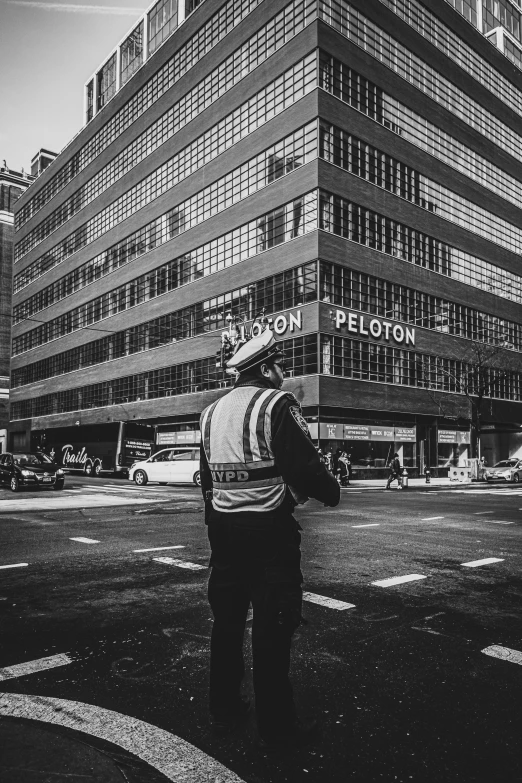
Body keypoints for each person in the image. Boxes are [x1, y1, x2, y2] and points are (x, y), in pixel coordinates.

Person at [199, 329, 340, 747]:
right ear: (264, 369)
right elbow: (304, 465)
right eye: (281, 366)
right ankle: (278, 728)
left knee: (225, 625)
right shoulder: (277, 403)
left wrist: (215, 522)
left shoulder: (210, 412)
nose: (285, 373)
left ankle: (224, 712)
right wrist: (330, 492)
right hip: (268, 534)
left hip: (224, 534)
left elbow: (207, 480)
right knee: (272, 629)